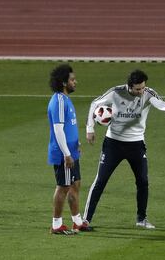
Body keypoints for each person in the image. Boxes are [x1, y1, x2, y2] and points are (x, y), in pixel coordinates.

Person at [83, 69, 165, 229]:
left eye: (142, 88)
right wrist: (90, 128)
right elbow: (95, 103)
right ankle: (86, 220)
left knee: (143, 181)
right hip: (113, 143)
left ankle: (141, 219)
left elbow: (159, 103)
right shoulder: (115, 93)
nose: (141, 91)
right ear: (130, 86)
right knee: (100, 181)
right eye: (137, 89)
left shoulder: (148, 93)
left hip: (136, 145)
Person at [47, 64, 93, 234]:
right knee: (63, 186)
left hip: (71, 151)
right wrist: (67, 154)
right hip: (63, 154)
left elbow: (68, 127)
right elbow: (58, 129)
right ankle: (57, 225)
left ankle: (77, 222)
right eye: (72, 80)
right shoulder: (58, 101)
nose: (76, 82)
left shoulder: (65, 99)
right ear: (64, 82)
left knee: (75, 184)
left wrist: (75, 144)